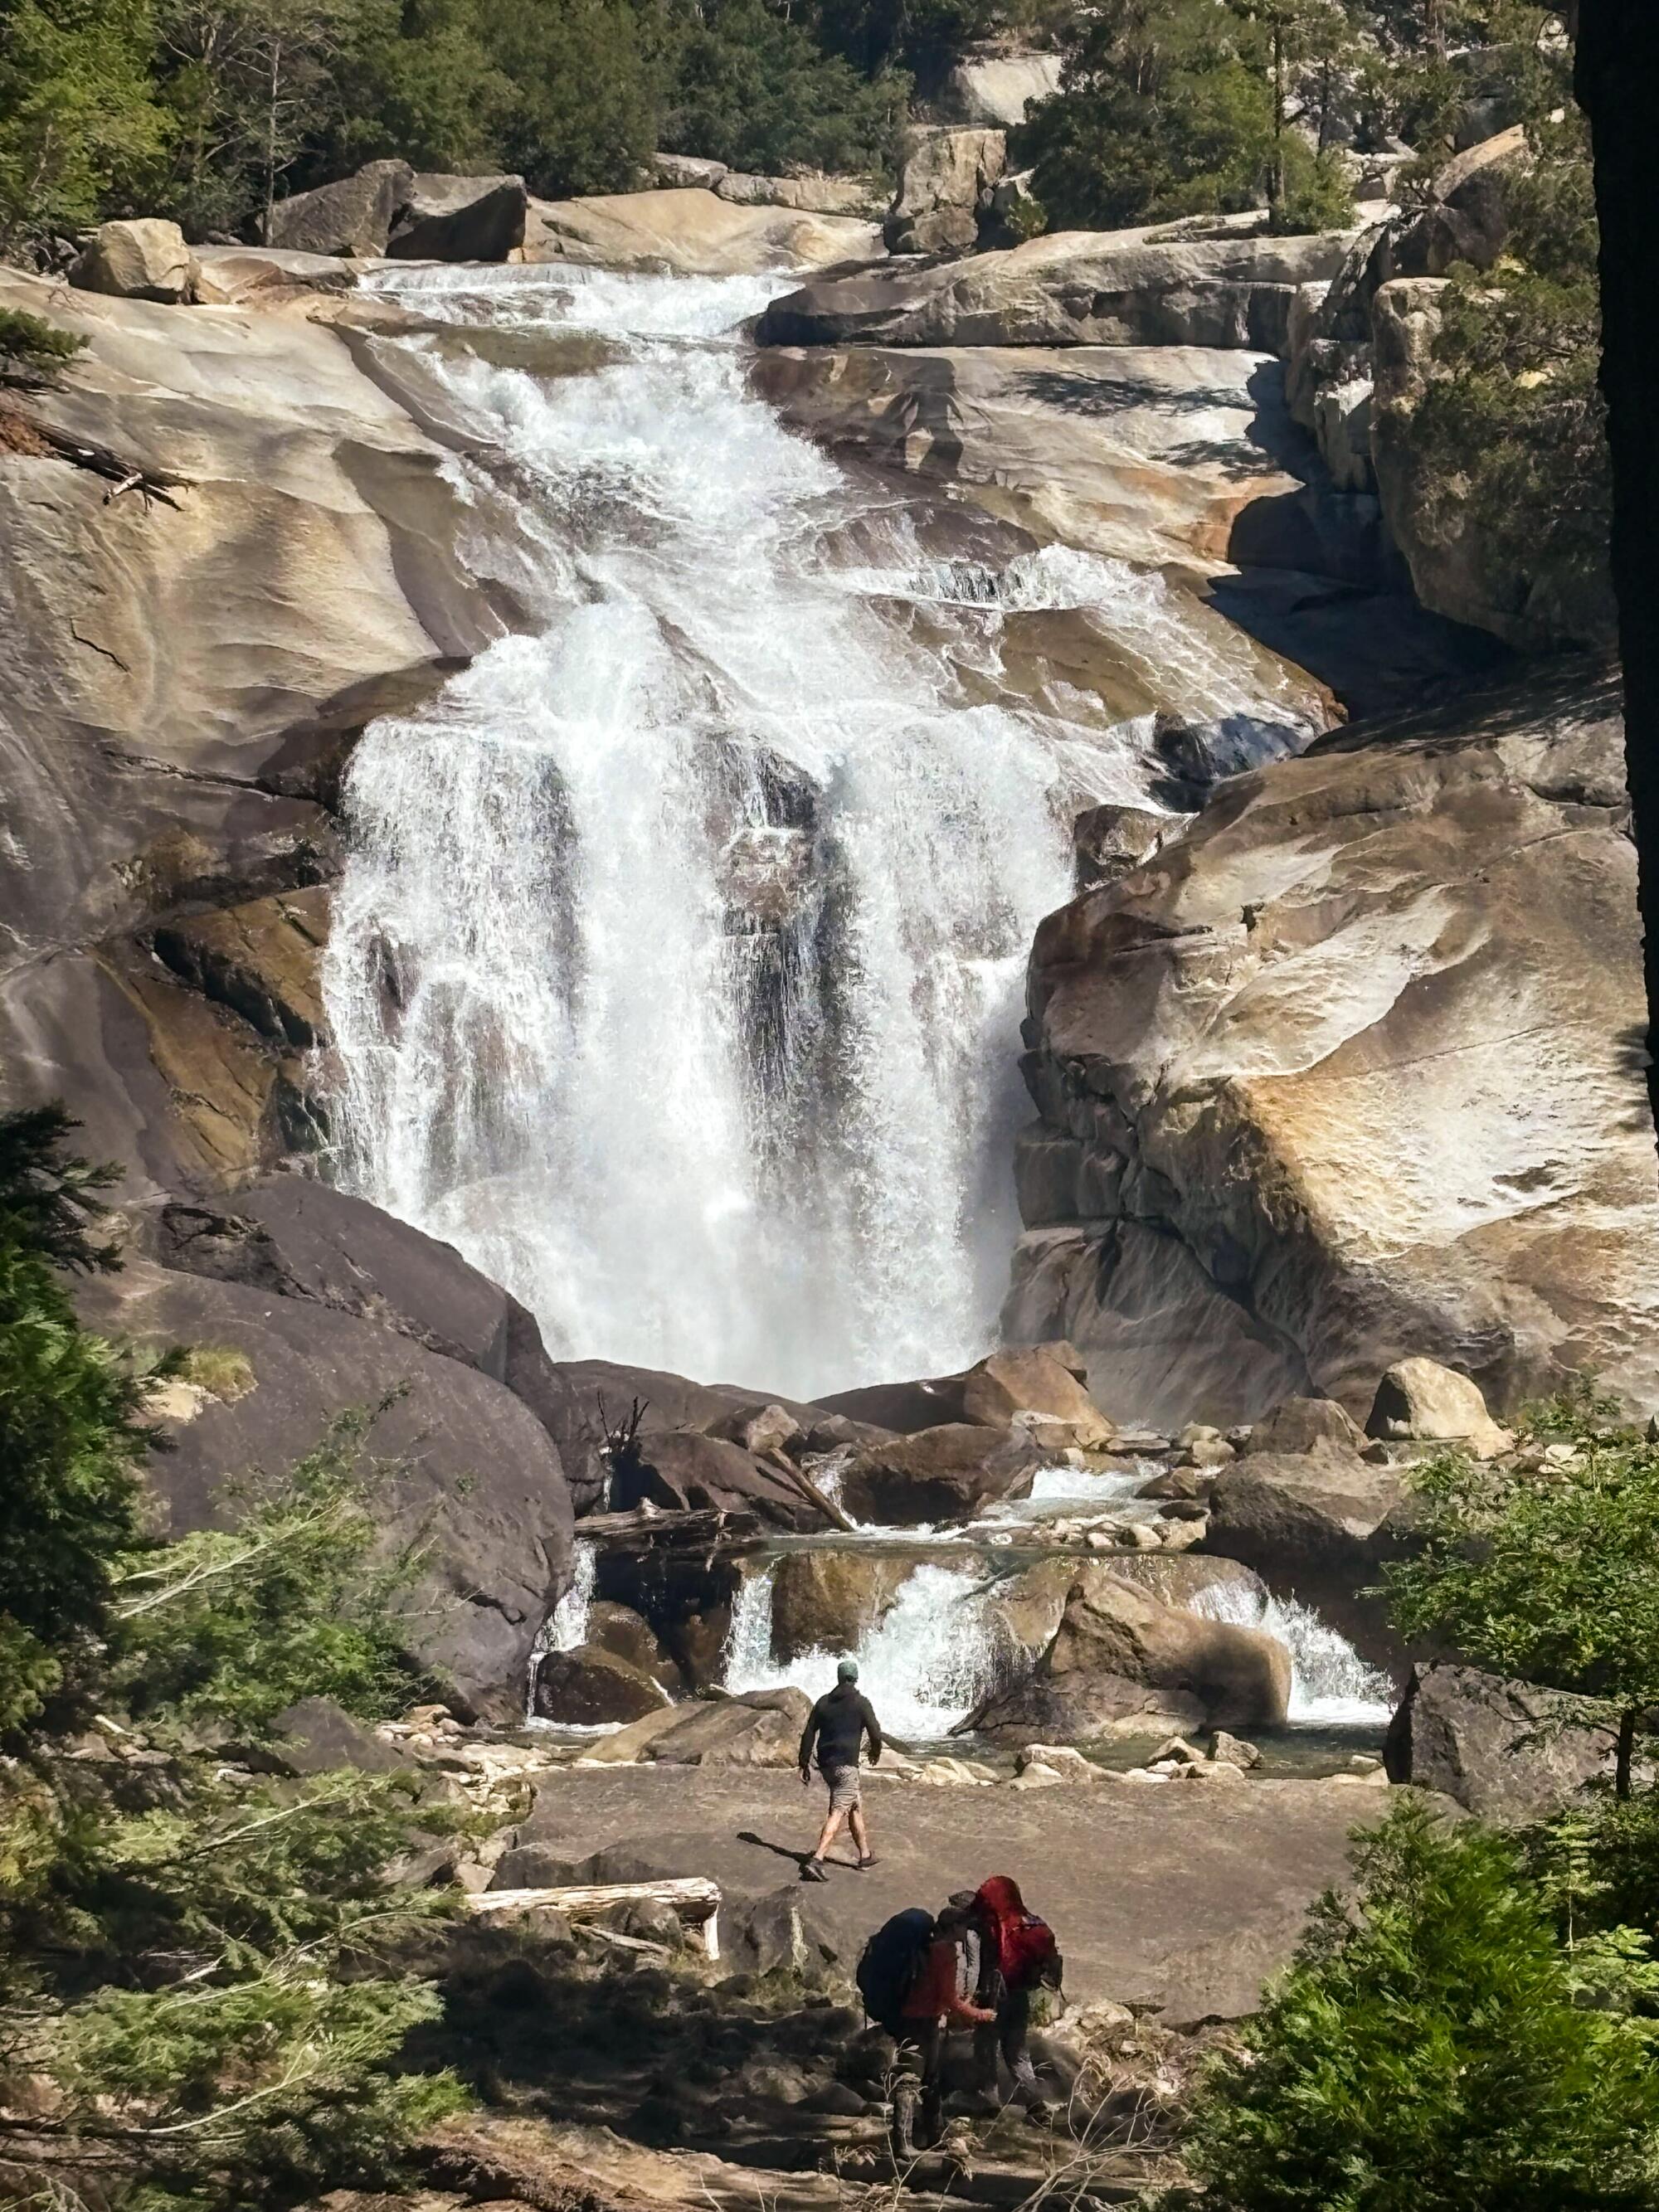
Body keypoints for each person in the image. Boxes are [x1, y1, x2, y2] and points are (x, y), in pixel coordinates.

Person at [891, 1904, 995, 2156]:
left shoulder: (929, 1946)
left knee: (930, 2079)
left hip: (917, 2019)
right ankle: (904, 2144)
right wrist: (980, 2014)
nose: (966, 1931)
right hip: (922, 2022)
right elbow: (950, 1998)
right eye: (963, 1926)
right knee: (911, 2081)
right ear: (954, 1927)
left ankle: (931, 2136)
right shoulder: (945, 1952)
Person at [968, 1874, 1063, 2124]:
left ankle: (988, 2103)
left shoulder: (991, 1926)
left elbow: (976, 1964)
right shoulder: (1030, 1923)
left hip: (993, 1998)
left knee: (986, 2050)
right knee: (1017, 2054)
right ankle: (1035, 2104)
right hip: (1020, 1996)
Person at [797, 1656, 883, 1881]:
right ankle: (817, 1859)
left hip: (826, 1765)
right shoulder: (860, 1702)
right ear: (855, 1678)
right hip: (846, 1766)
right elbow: (875, 1731)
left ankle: (865, 1854)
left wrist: (804, 1762)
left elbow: (809, 1732)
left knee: (854, 1805)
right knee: (838, 1811)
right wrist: (876, 1752)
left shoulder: (824, 1702)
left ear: (838, 1678)